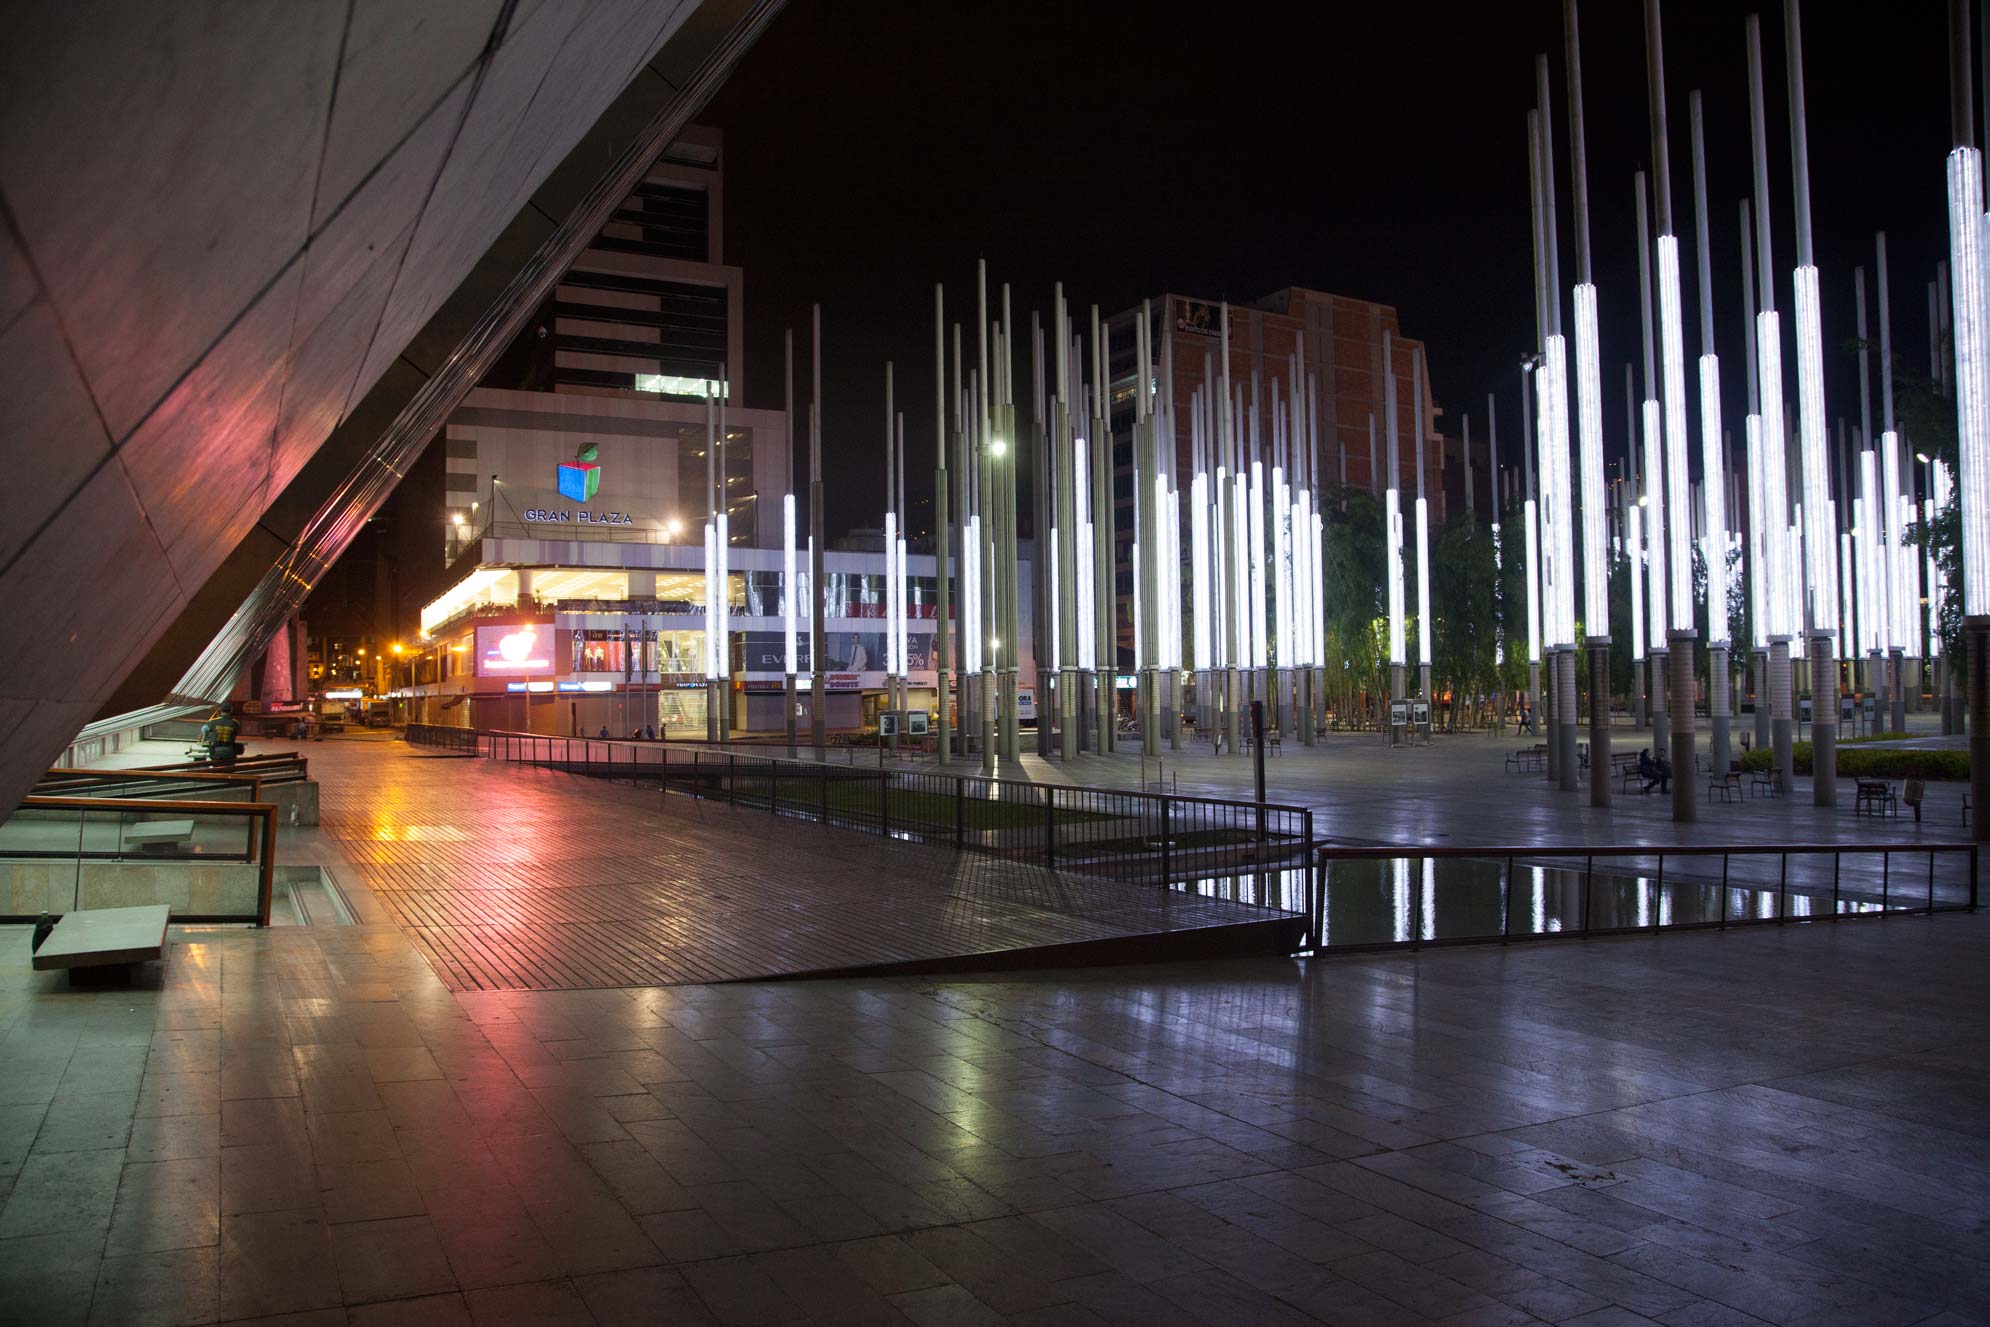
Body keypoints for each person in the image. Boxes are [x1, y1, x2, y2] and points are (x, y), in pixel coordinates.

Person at [201, 703, 244, 770]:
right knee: (229, 769)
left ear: (220, 711)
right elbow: (236, 732)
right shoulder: (235, 723)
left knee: (216, 768)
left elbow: (204, 729)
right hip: (230, 753)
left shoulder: (212, 722)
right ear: (231, 711)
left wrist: (206, 738)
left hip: (215, 753)